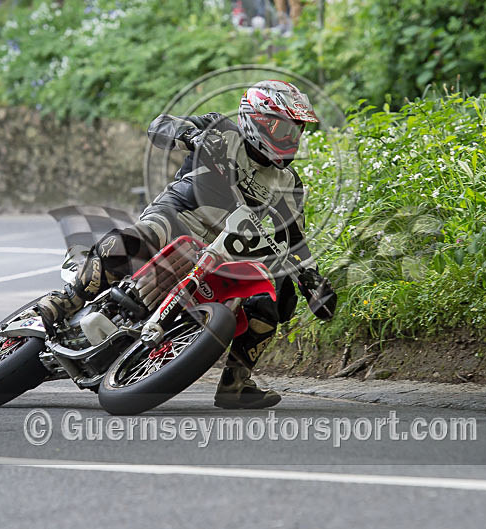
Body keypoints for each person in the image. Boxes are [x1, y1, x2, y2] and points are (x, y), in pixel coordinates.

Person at [36, 80, 337, 409]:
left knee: (272, 298)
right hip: (178, 217)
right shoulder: (221, 129)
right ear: (256, 118)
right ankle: (66, 301)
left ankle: (236, 383)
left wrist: (312, 281)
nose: (290, 139)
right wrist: (191, 136)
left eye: (296, 132)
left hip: (224, 246)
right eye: (282, 128)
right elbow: (159, 125)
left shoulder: (288, 184)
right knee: (135, 241)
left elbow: (295, 240)